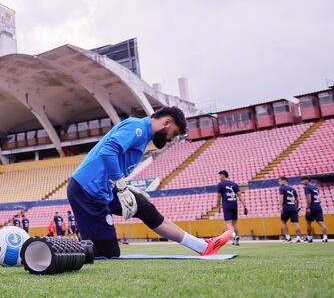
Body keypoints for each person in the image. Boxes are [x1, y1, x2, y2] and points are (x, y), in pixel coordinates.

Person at [67, 107, 233, 258]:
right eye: (173, 134)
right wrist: (120, 184)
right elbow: (108, 150)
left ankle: (202, 246)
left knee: (146, 209)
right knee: (107, 254)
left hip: (103, 188)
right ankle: (58, 251)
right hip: (88, 190)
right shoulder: (137, 127)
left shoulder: (143, 135)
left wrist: (124, 185)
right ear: (166, 122)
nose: (171, 139)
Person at [216, 170, 247, 246]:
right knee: (235, 223)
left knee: (228, 223)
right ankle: (236, 241)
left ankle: (234, 236)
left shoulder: (220, 185)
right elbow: (239, 195)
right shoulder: (234, 184)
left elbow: (218, 196)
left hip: (227, 205)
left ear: (223, 175)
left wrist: (218, 206)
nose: (219, 177)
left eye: (219, 175)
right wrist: (244, 205)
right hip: (234, 205)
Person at [301, 177, 328, 243]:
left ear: (307, 180)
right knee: (321, 222)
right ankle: (325, 237)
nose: (301, 182)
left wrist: (308, 207)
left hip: (312, 207)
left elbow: (309, 198)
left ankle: (309, 238)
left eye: (302, 180)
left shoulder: (307, 188)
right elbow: (318, 198)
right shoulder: (315, 188)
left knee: (308, 222)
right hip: (318, 206)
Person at [278, 177, 301, 243]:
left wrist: (281, 207)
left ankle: (288, 238)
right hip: (293, 207)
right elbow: (297, 200)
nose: (279, 182)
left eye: (279, 181)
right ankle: (298, 238)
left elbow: (281, 197)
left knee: (283, 222)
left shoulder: (281, 188)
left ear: (284, 181)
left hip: (286, 207)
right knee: (296, 223)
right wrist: (296, 207)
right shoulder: (293, 189)